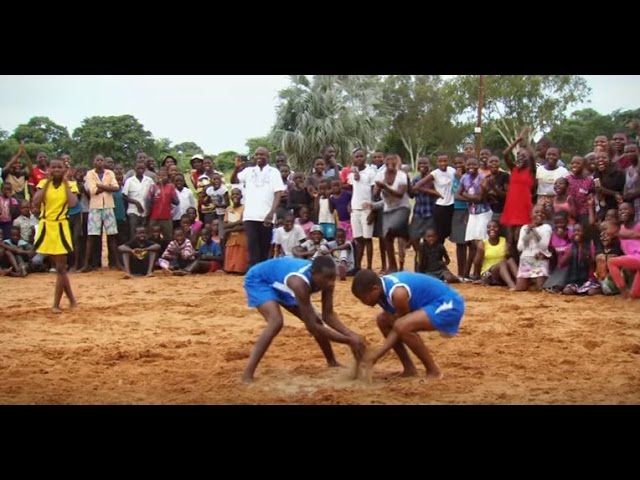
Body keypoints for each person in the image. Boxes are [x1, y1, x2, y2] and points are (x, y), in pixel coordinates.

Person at [242, 256, 366, 383]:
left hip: (281, 280)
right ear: (313, 274)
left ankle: (332, 361)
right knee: (276, 322)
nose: (331, 283)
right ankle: (247, 374)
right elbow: (311, 326)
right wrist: (348, 340)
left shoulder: (326, 281)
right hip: (259, 280)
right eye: (328, 278)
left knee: (317, 320)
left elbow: (328, 316)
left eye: (333, 277)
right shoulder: (299, 284)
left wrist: (352, 335)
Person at [351, 269, 465, 381]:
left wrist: (377, 354)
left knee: (403, 327)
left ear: (375, 289)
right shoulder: (381, 290)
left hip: (448, 304)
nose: (363, 302)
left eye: (364, 298)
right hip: (430, 305)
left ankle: (433, 371)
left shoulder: (397, 293)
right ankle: (409, 368)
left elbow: (400, 326)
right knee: (383, 320)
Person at [31, 159, 78, 313]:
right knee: (60, 269)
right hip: (46, 226)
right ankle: (71, 299)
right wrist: (46, 183)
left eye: (60, 167)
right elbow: (36, 202)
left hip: (60, 227)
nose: (57, 169)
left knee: (61, 268)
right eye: (54, 167)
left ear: (65, 169)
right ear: (49, 169)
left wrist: (65, 183)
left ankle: (56, 304)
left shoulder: (71, 185)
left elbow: (72, 204)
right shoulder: (43, 184)